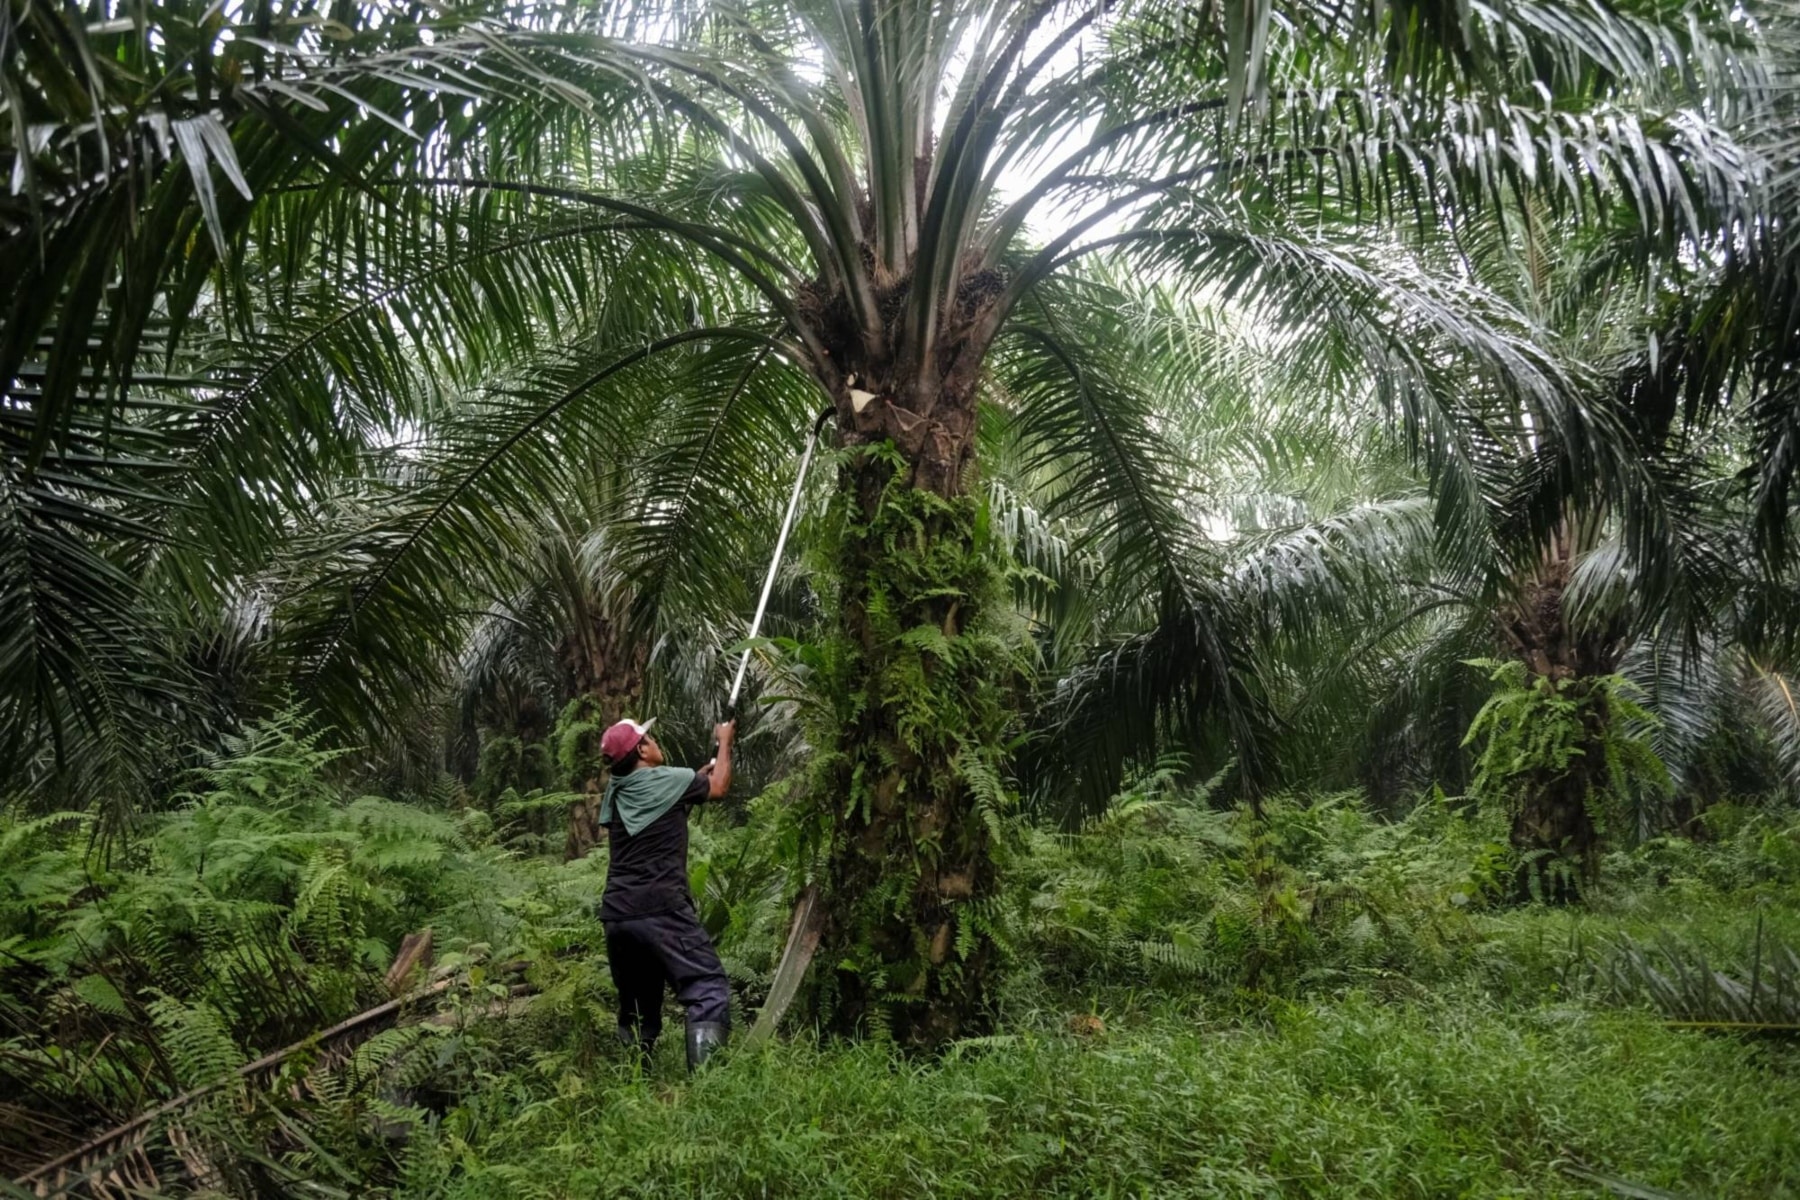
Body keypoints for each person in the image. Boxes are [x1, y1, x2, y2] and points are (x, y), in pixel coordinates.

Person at [597, 716, 736, 1071]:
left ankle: (633, 1084)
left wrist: (692, 780)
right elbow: (718, 787)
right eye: (650, 738)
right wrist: (724, 742)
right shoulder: (672, 780)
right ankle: (710, 1086)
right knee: (706, 986)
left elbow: (657, 810)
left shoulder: (616, 790)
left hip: (617, 914)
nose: (656, 742)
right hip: (661, 908)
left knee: (638, 1008)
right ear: (642, 749)